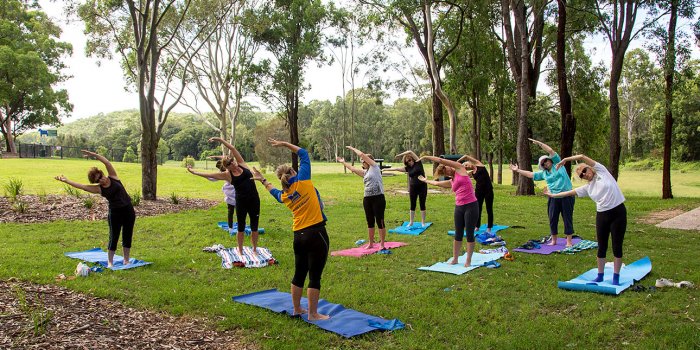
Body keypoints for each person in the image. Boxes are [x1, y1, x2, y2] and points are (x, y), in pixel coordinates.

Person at [251, 138, 330, 321]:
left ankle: (297, 308)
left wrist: (262, 180)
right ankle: (313, 313)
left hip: (298, 236)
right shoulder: (303, 181)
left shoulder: (286, 195)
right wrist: (285, 145)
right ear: (293, 172)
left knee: (299, 272)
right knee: (315, 275)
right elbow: (303, 153)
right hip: (316, 233)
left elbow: (274, 193)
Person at [544, 155, 627, 285]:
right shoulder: (588, 188)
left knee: (617, 246)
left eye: (585, 171)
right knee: (602, 246)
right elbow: (569, 193)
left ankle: (615, 278)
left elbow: (582, 156)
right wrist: (553, 195)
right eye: (582, 175)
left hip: (618, 213)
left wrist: (566, 160)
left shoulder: (602, 171)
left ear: (590, 168)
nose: (585, 174)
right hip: (602, 216)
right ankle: (600, 276)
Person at [54, 150, 135, 268]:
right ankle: (110, 262)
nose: (101, 180)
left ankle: (126, 260)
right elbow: (83, 187)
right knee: (114, 236)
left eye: (101, 177)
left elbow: (107, 162)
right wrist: (67, 181)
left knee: (127, 234)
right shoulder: (99, 189)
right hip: (115, 213)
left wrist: (94, 155)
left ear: (102, 173)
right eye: (98, 180)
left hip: (128, 209)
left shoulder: (113, 177)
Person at [187, 137, 260, 255]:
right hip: (241, 202)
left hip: (254, 200)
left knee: (254, 226)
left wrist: (220, 140)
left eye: (233, 161)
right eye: (230, 164)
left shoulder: (242, 164)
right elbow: (209, 174)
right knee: (241, 227)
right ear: (227, 167)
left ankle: (255, 249)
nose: (233, 164)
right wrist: (194, 172)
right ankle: (240, 251)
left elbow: (232, 148)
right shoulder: (227, 175)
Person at [510, 138, 575, 247]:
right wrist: (517, 170)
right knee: (552, 218)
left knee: (567, 218)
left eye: (546, 160)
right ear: (542, 166)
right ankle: (554, 240)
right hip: (553, 197)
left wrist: (539, 144)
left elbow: (550, 151)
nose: (545, 163)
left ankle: (569, 241)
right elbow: (530, 174)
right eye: (543, 163)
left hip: (566, 195)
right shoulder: (544, 173)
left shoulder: (558, 164)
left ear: (550, 160)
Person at [418, 156, 478, 267]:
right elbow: (436, 184)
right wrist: (425, 180)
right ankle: (455, 258)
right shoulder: (452, 180)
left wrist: (426, 157)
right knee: (458, 233)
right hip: (459, 207)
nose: (448, 172)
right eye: (445, 172)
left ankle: (468, 260)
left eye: (447, 168)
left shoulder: (460, 169)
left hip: (471, 206)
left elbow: (440, 160)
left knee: (469, 234)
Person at [336, 146, 386, 250]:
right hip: (367, 199)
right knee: (370, 221)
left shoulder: (375, 167)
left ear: (369, 161)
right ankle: (371, 243)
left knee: (380, 221)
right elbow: (353, 169)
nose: (362, 162)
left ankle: (382, 244)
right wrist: (342, 162)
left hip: (378, 198)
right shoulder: (365, 172)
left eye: (363, 161)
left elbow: (362, 154)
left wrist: (353, 149)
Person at [384, 150, 428, 227]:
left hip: (422, 186)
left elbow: (410, 152)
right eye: (407, 162)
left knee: (422, 204)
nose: (409, 163)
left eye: (410, 160)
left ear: (413, 159)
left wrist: (399, 155)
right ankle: (411, 222)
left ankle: (423, 222)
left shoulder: (418, 162)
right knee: (412, 204)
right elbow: (396, 169)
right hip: (413, 187)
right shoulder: (408, 168)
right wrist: (385, 169)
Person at [458, 154, 494, 234]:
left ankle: (489, 227)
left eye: (466, 164)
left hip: (488, 190)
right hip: (478, 192)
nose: (467, 166)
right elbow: (460, 176)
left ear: (470, 162)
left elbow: (466, 156)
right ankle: (477, 226)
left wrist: (457, 162)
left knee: (489, 209)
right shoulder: (471, 173)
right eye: (465, 167)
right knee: (478, 209)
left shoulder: (479, 164)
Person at [209, 158, 237, 233]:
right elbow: (212, 178)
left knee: (232, 212)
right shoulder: (228, 172)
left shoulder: (227, 173)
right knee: (234, 212)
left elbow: (213, 178)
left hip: (235, 194)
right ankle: (233, 227)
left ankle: (232, 227)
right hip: (232, 194)